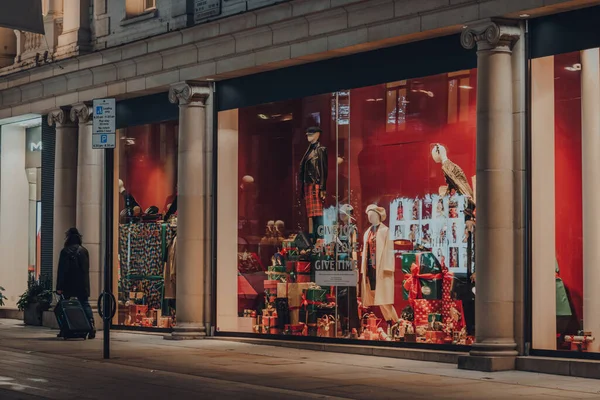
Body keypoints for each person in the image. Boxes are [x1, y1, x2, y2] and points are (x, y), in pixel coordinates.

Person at [56, 228, 96, 339]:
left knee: (64, 305)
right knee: (85, 304)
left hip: (68, 284)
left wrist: (59, 287)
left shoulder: (65, 251)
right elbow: (86, 269)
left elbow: (61, 270)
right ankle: (91, 327)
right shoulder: (84, 251)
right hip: (82, 283)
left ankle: (65, 328)